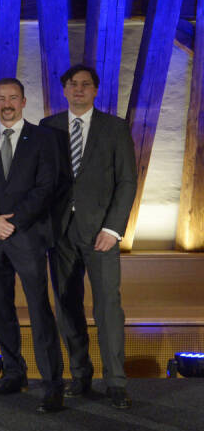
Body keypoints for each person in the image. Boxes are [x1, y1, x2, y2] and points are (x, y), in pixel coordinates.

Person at [41, 64, 136, 409]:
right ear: (64, 89)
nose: (78, 89)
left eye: (85, 84)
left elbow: (127, 181)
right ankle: (80, 375)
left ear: (95, 90)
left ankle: (116, 382)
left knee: (108, 307)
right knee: (67, 306)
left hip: (101, 233)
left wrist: (113, 228)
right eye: (72, 84)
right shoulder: (48, 127)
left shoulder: (115, 128)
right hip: (60, 233)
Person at [0, 78, 65, 413]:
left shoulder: (44, 138)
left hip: (27, 236)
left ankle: (52, 385)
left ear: (24, 101)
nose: (7, 104)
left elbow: (47, 187)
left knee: (39, 310)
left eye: (13, 97)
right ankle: (14, 373)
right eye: (1, 98)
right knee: (0, 310)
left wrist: (13, 222)